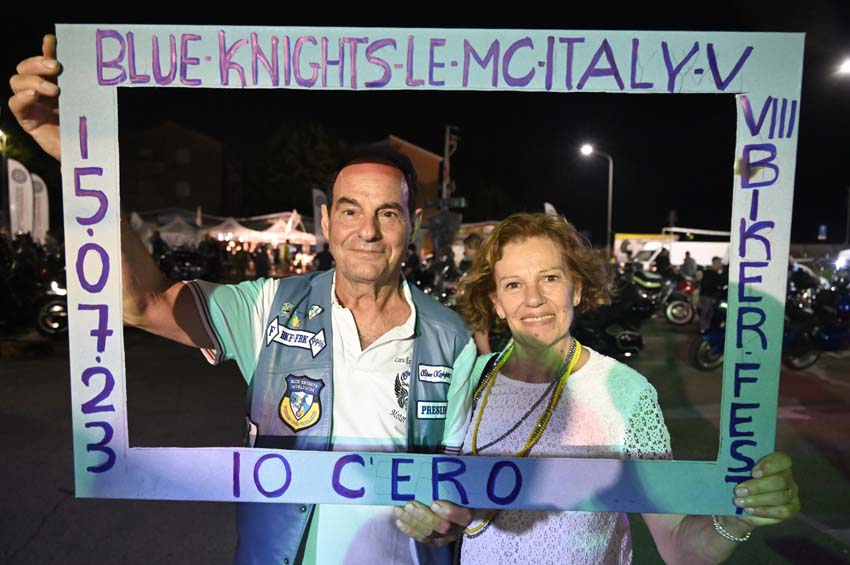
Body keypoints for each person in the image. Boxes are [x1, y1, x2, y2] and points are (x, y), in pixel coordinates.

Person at [9, 35, 477, 565]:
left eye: (387, 213)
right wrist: (82, 162)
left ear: (412, 225)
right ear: (326, 222)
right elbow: (141, 303)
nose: (367, 230)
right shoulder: (270, 305)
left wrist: (451, 517)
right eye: (350, 211)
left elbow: (456, 480)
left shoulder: (452, 337)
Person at [393, 213, 800, 564]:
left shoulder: (627, 393)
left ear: (577, 288)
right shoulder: (470, 379)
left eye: (550, 278)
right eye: (513, 284)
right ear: (496, 301)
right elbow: (458, 515)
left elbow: (676, 544)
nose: (533, 299)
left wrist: (734, 520)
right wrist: (438, 526)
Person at [699, 256, 726, 333]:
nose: (720, 265)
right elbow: (712, 285)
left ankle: (705, 328)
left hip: (707, 296)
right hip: (708, 296)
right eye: (719, 263)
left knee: (709, 313)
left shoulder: (709, 272)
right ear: (715, 263)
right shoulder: (711, 273)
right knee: (706, 312)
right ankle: (703, 329)